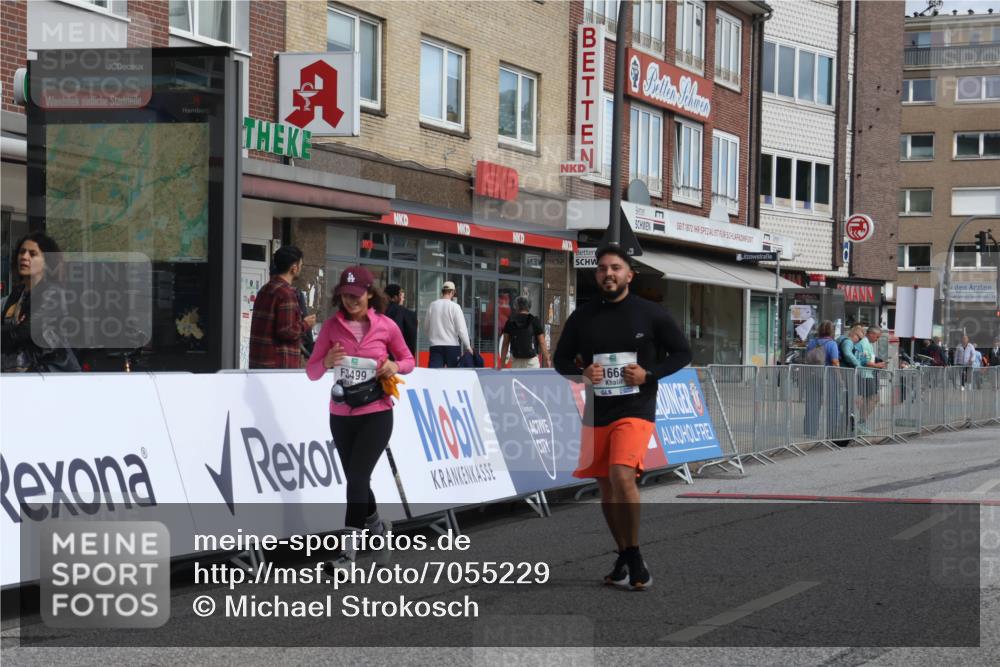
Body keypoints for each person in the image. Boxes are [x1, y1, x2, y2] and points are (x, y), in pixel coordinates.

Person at [553, 245, 691, 590]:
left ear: (630, 274)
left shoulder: (650, 313)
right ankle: (626, 553)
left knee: (621, 474)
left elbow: (683, 353)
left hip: (636, 409)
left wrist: (649, 375)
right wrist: (582, 374)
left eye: (615, 267)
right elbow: (561, 360)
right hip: (597, 411)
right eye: (602, 268)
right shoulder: (582, 316)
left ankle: (632, 552)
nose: (608, 273)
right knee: (605, 485)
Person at [306, 266, 414, 571]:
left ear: (369, 293)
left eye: (356, 296)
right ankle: (379, 529)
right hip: (341, 415)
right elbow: (312, 371)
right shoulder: (331, 327)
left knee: (355, 479)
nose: (350, 301)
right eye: (345, 296)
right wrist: (326, 361)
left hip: (377, 413)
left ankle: (347, 557)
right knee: (357, 480)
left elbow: (409, 360)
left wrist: (394, 366)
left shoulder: (386, 326)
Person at [1, 232, 80, 373]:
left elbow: (23, 332)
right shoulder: (17, 293)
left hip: (50, 375)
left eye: (32, 254)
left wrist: (17, 329)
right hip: (18, 375)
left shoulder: (52, 294)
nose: (24, 257)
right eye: (22, 252)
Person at [249, 246, 316, 369]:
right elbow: (286, 331)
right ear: (294, 268)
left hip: (259, 362)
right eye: (300, 265)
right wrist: (306, 324)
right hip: (279, 367)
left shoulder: (265, 289)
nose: (301, 268)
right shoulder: (286, 294)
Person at [802, 320, 840, 438]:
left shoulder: (812, 343)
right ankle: (832, 431)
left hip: (813, 375)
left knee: (812, 403)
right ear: (832, 331)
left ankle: (810, 431)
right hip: (827, 376)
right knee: (832, 403)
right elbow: (834, 362)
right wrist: (840, 378)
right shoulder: (832, 344)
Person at [424, 281, 472, 368]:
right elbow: (461, 329)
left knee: (434, 374)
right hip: (452, 346)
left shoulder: (432, 305)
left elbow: (426, 327)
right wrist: (468, 346)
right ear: (452, 292)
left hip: (435, 346)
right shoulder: (455, 307)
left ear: (442, 291)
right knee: (453, 375)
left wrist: (433, 338)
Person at [497, 295, 549, 369]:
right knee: (533, 380)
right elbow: (542, 342)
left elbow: (505, 343)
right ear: (529, 306)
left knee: (517, 380)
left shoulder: (510, 322)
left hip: (516, 361)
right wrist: (547, 359)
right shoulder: (534, 321)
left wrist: (502, 362)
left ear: (516, 306)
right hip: (531, 361)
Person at [856, 326, 886, 432]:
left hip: (868, 375)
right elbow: (864, 361)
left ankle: (861, 423)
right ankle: (860, 423)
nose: (877, 339)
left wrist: (877, 362)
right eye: (877, 337)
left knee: (870, 399)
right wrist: (878, 366)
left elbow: (869, 359)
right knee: (872, 398)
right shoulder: (864, 344)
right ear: (871, 334)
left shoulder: (868, 344)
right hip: (864, 375)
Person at [384, 284, 418, 358]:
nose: (403, 299)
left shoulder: (377, 311)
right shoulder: (405, 313)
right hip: (399, 356)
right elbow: (411, 336)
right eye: (401, 296)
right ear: (396, 297)